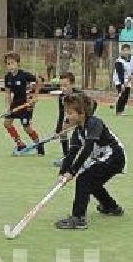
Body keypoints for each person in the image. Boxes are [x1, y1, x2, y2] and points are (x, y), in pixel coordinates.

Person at [54, 92, 127, 230]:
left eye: (70, 113)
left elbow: (87, 149)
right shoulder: (78, 131)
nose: (67, 117)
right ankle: (111, 207)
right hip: (102, 157)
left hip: (114, 156)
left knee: (84, 179)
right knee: (92, 181)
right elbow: (72, 153)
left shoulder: (94, 123)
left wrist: (73, 172)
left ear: (81, 113)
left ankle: (78, 218)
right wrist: (62, 172)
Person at [2, 52, 44, 156]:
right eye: (8, 64)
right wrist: (8, 107)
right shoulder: (7, 77)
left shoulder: (24, 75)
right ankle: (20, 143)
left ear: (18, 63)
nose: (10, 66)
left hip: (26, 105)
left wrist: (35, 96)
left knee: (27, 128)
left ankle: (39, 144)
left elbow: (39, 81)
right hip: (15, 103)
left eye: (12, 63)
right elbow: (7, 93)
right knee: (7, 123)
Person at [51, 72, 96, 167]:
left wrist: (85, 118)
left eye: (65, 85)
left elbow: (94, 103)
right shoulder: (62, 97)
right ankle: (66, 156)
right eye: (61, 86)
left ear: (72, 84)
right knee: (63, 131)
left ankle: (90, 157)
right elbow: (62, 114)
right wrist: (58, 130)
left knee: (83, 136)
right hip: (72, 117)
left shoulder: (80, 95)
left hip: (83, 118)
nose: (63, 88)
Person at [112, 43, 133, 116]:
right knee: (122, 94)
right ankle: (118, 111)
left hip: (128, 79)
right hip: (119, 79)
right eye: (124, 50)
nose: (126, 52)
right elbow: (120, 73)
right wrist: (122, 84)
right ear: (121, 51)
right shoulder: (119, 61)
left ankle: (122, 110)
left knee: (126, 95)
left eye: (128, 50)